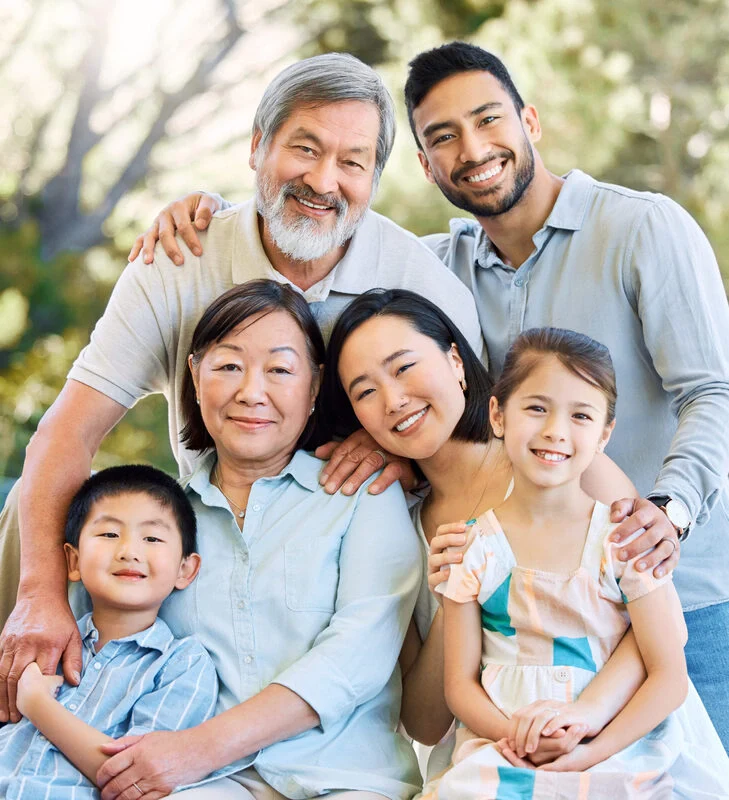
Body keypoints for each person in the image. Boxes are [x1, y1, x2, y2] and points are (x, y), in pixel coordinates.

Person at [140, 41, 729, 746]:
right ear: (423, 165)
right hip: (524, 647)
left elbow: (713, 390)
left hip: (676, 587)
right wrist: (214, 212)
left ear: (529, 121)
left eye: (487, 120)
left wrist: (667, 513)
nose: (472, 149)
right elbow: (320, 241)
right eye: (441, 138)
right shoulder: (434, 269)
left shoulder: (637, 228)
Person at [0, 51, 483, 726]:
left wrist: (403, 451)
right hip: (218, 527)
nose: (323, 180)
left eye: (351, 162)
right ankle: (29, 728)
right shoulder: (180, 256)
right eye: (303, 149)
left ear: (374, 176)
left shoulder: (418, 282)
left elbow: (473, 425)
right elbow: (67, 431)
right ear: (256, 147)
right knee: (37, 509)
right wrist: (40, 594)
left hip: (351, 529)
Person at [85, 280, 422, 800]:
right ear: (195, 377)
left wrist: (200, 748)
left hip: (347, 779)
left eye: (281, 370)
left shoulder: (365, 495)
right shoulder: (158, 522)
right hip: (209, 784)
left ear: (314, 388)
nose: (251, 392)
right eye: (228, 366)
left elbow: (360, 652)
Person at [321, 289, 646, 780]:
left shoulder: (561, 462)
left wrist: (587, 719)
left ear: (455, 360)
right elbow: (426, 724)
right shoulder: (395, 533)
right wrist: (458, 592)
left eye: (404, 367)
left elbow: (653, 629)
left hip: (615, 746)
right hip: (497, 761)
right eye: (365, 391)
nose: (393, 400)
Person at [417, 328, 729, 797]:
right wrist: (517, 735)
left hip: (616, 749)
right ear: (499, 415)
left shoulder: (624, 543)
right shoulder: (473, 548)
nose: (555, 431)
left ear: (604, 434)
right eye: (536, 408)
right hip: (504, 748)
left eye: (580, 415)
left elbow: (669, 676)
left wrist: (590, 749)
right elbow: (459, 685)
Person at [0, 465, 218, 799]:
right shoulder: (42, 639)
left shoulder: (182, 665)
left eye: (152, 538)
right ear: (73, 561)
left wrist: (36, 703)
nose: (129, 551)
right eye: (109, 534)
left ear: (185, 569)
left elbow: (135, 774)